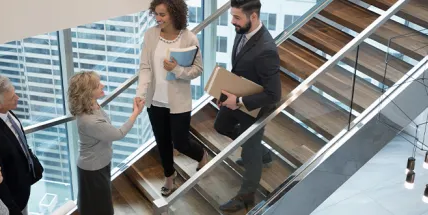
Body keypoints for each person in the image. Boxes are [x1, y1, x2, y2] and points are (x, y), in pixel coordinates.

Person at [135, 0, 210, 197]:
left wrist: (176, 69)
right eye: (156, 14)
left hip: (179, 102)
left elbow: (198, 70)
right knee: (162, 141)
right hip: (155, 101)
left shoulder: (189, 38)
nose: (158, 19)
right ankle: (169, 175)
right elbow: (145, 67)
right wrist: (140, 93)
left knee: (180, 142)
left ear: (175, 14)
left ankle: (202, 154)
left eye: (162, 15)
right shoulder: (150, 35)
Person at [214, 0, 281, 212]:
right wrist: (224, 92)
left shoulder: (266, 50)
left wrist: (240, 102)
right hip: (237, 96)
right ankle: (264, 153)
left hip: (255, 106)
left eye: (236, 17)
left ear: (253, 17)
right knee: (221, 126)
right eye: (232, 16)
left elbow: (274, 94)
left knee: (250, 154)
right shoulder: (242, 30)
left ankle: (246, 198)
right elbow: (240, 69)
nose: (232, 22)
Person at [69, 71, 144, 214]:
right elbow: (118, 134)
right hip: (93, 169)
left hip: (98, 164)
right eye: (98, 85)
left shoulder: (92, 105)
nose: (102, 85)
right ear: (88, 92)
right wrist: (135, 112)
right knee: (101, 209)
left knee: (97, 205)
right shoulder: (90, 121)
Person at [0, 74, 43, 215]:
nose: (17, 98)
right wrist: (12, 209)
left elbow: (18, 139)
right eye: (12, 98)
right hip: (14, 198)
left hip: (23, 183)